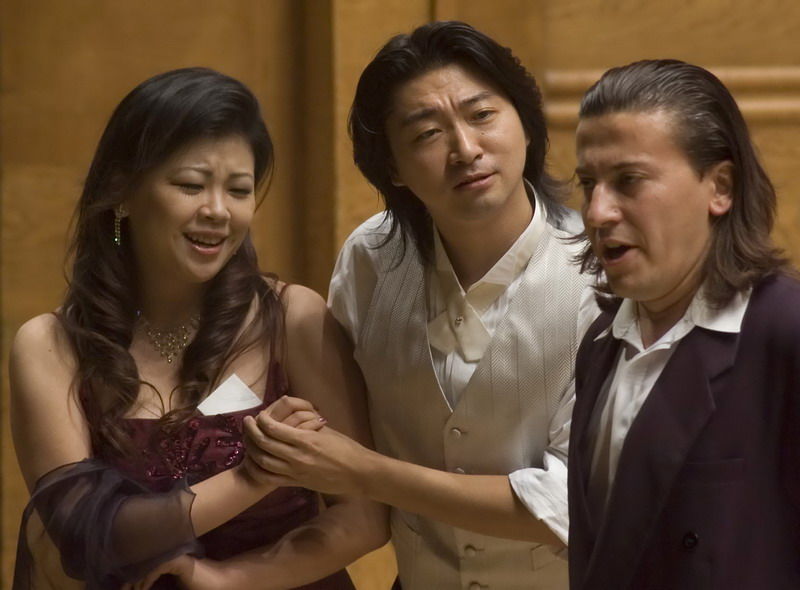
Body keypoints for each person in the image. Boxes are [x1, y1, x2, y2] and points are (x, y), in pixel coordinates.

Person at [242, 21, 591, 590]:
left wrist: (368, 473)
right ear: (393, 169)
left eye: (482, 115)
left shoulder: (599, 277)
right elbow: (338, 426)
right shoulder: (371, 259)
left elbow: (574, 500)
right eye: (428, 133)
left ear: (527, 124)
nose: (466, 150)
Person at [9, 67, 387, 590]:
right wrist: (253, 474)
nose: (217, 211)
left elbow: (365, 517)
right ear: (121, 192)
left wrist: (226, 578)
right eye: (190, 185)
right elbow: (87, 536)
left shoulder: (294, 318)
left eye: (239, 190)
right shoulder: (50, 346)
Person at [568, 59, 800, 589]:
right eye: (588, 183)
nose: (597, 212)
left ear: (720, 187)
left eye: (628, 181)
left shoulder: (786, 332)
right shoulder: (600, 342)